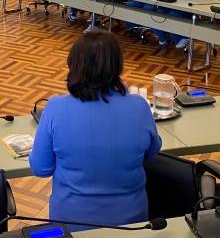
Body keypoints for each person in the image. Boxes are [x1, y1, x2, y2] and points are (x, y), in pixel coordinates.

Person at [30, 31, 161, 230]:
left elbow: (40, 168)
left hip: (72, 224)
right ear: (117, 65)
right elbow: (152, 152)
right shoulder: (139, 106)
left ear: (74, 65)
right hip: (132, 224)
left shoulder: (55, 109)